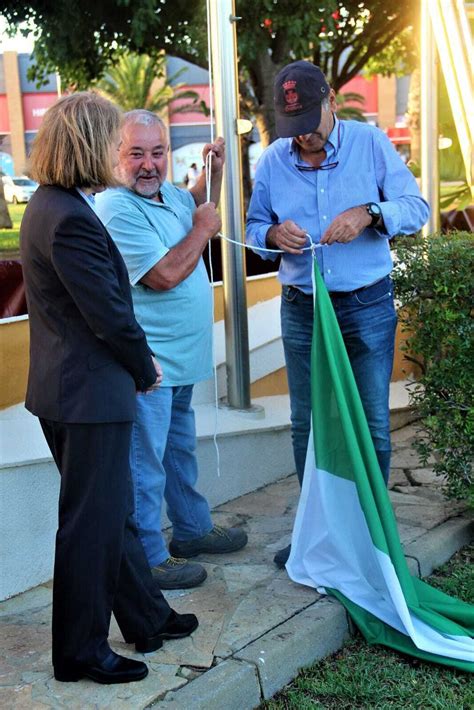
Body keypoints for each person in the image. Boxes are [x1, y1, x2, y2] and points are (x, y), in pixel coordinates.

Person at [20, 93, 198, 685]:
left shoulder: (55, 204)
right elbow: (108, 315)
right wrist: (146, 369)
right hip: (87, 396)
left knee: (110, 515)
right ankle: (80, 653)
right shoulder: (68, 216)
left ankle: (146, 618)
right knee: (90, 528)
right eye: (109, 137)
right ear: (88, 144)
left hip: (73, 390)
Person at [246, 61, 429, 568]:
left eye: (308, 119)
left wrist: (370, 213)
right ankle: (317, 536)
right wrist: (271, 236)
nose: (301, 135)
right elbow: (254, 227)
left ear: (330, 99)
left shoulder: (371, 145)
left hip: (367, 304)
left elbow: (417, 207)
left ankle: (372, 537)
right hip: (302, 309)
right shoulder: (274, 160)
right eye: (291, 126)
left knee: (371, 423)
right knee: (307, 424)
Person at [96, 110, 248, 590]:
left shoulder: (171, 197)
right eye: (136, 153)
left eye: (157, 152)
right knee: (146, 465)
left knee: (180, 454)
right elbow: (162, 276)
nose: (148, 164)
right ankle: (149, 556)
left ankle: (192, 530)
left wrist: (216, 171)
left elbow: (198, 205)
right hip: (151, 366)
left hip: (183, 362)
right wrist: (203, 230)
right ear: (114, 156)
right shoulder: (116, 208)